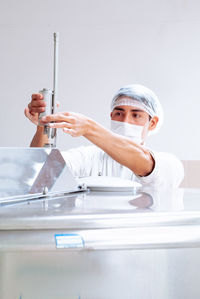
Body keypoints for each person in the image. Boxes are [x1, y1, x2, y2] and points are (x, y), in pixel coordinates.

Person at [24, 84, 184, 188]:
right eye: (119, 113)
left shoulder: (170, 164)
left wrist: (88, 128)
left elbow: (143, 162)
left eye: (136, 115)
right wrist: (43, 126)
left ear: (153, 123)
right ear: (111, 116)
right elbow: (40, 173)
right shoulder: (87, 157)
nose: (125, 121)